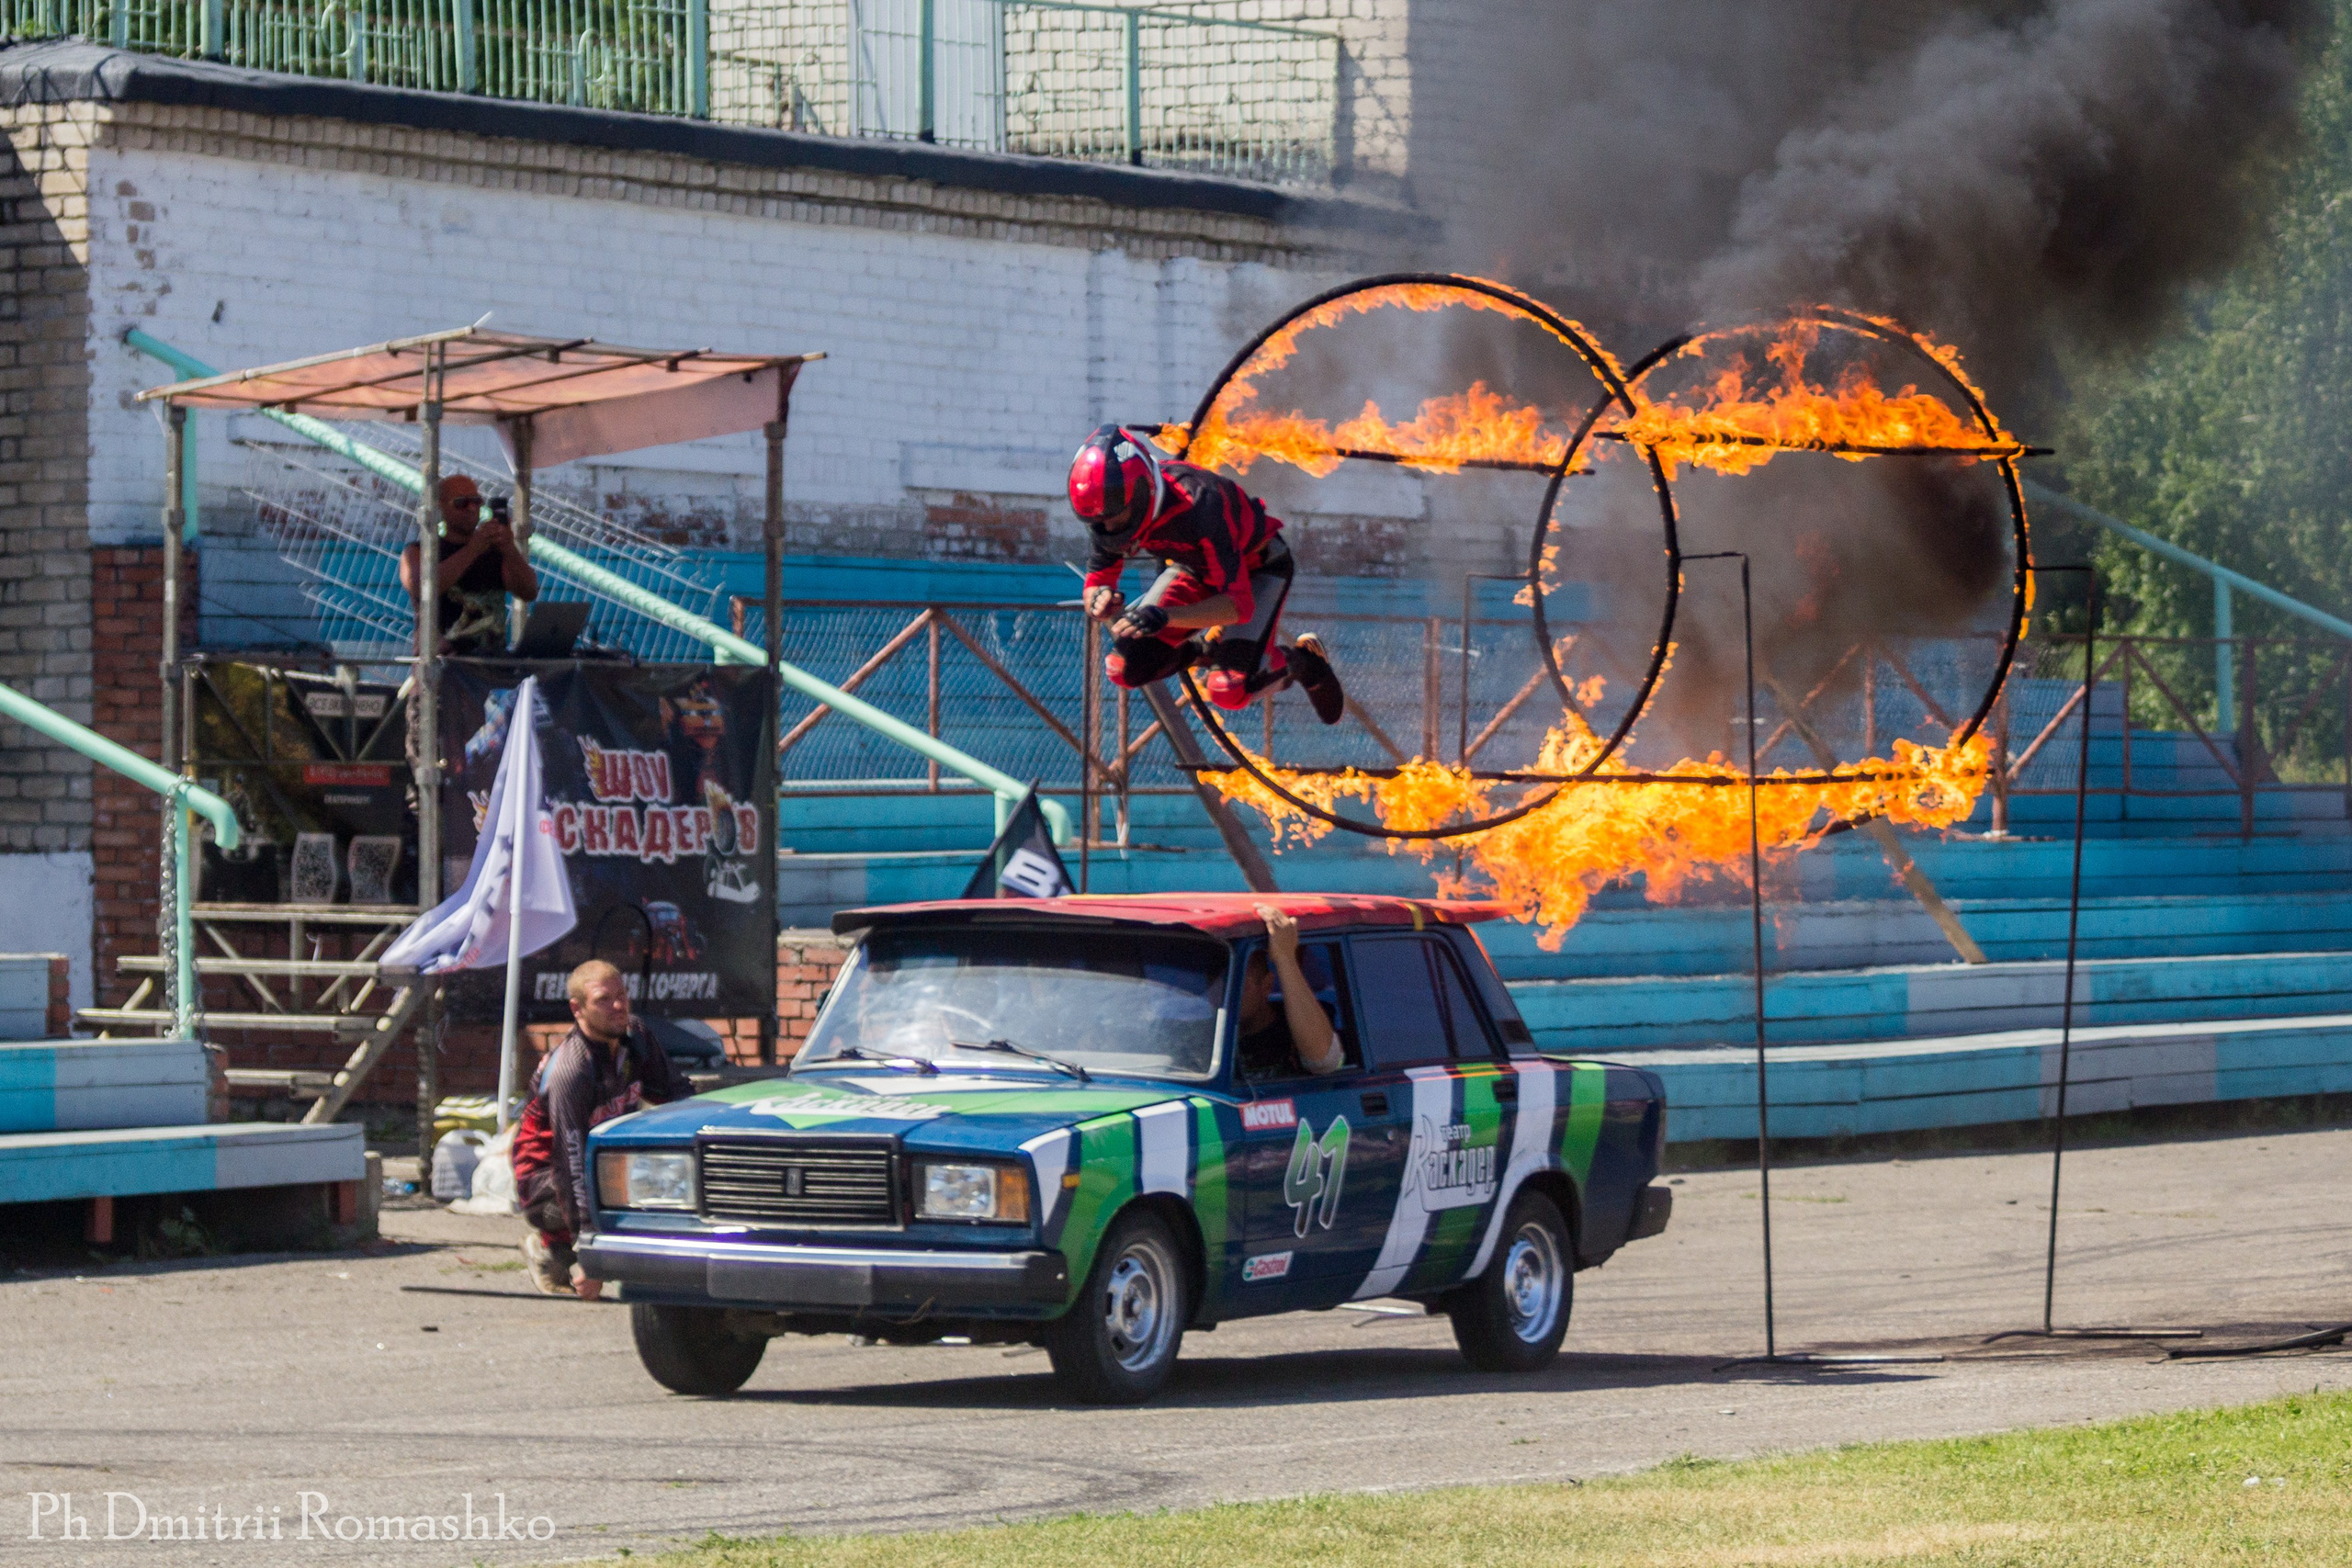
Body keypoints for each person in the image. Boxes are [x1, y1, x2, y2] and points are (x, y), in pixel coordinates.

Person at [1069, 424, 1346, 724]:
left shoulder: (1200, 503)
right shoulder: (1107, 510)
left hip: (1257, 570)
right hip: (1195, 570)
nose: (1109, 531)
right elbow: (1097, 581)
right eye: (1098, 523)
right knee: (1124, 668)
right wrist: (1099, 599)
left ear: (1141, 492)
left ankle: (1305, 664)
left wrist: (1164, 617)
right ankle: (1209, 651)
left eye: (1115, 518)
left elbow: (1238, 607)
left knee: (1229, 691)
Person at [509, 959, 695, 1298]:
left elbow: (677, 1095)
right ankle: (553, 1250)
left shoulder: (636, 1035)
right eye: (603, 999)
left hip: (603, 1163)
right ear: (577, 1009)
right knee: (603, 1190)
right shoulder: (571, 1071)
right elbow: (571, 1168)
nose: (619, 1006)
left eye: (622, 995)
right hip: (545, 1177)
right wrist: (592, 1260)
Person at [398, 473, 539, 655]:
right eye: (461, 503)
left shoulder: (495, 551)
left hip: (491, 663)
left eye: (476, 501)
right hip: (443, 665)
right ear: (441, 508)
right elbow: (423, 586)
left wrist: (509, 547)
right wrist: (474, 548)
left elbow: (528, 591)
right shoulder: (419, 551)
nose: (471, 508)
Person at [1235, 903, 1347, 1079]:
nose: (1222, 997)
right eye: (1215, 985)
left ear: (1266, 986)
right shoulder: (1201, 1034)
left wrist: (1285, 957)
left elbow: (1324, 1060)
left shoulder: (1296, 1026)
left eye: (1241, 985)